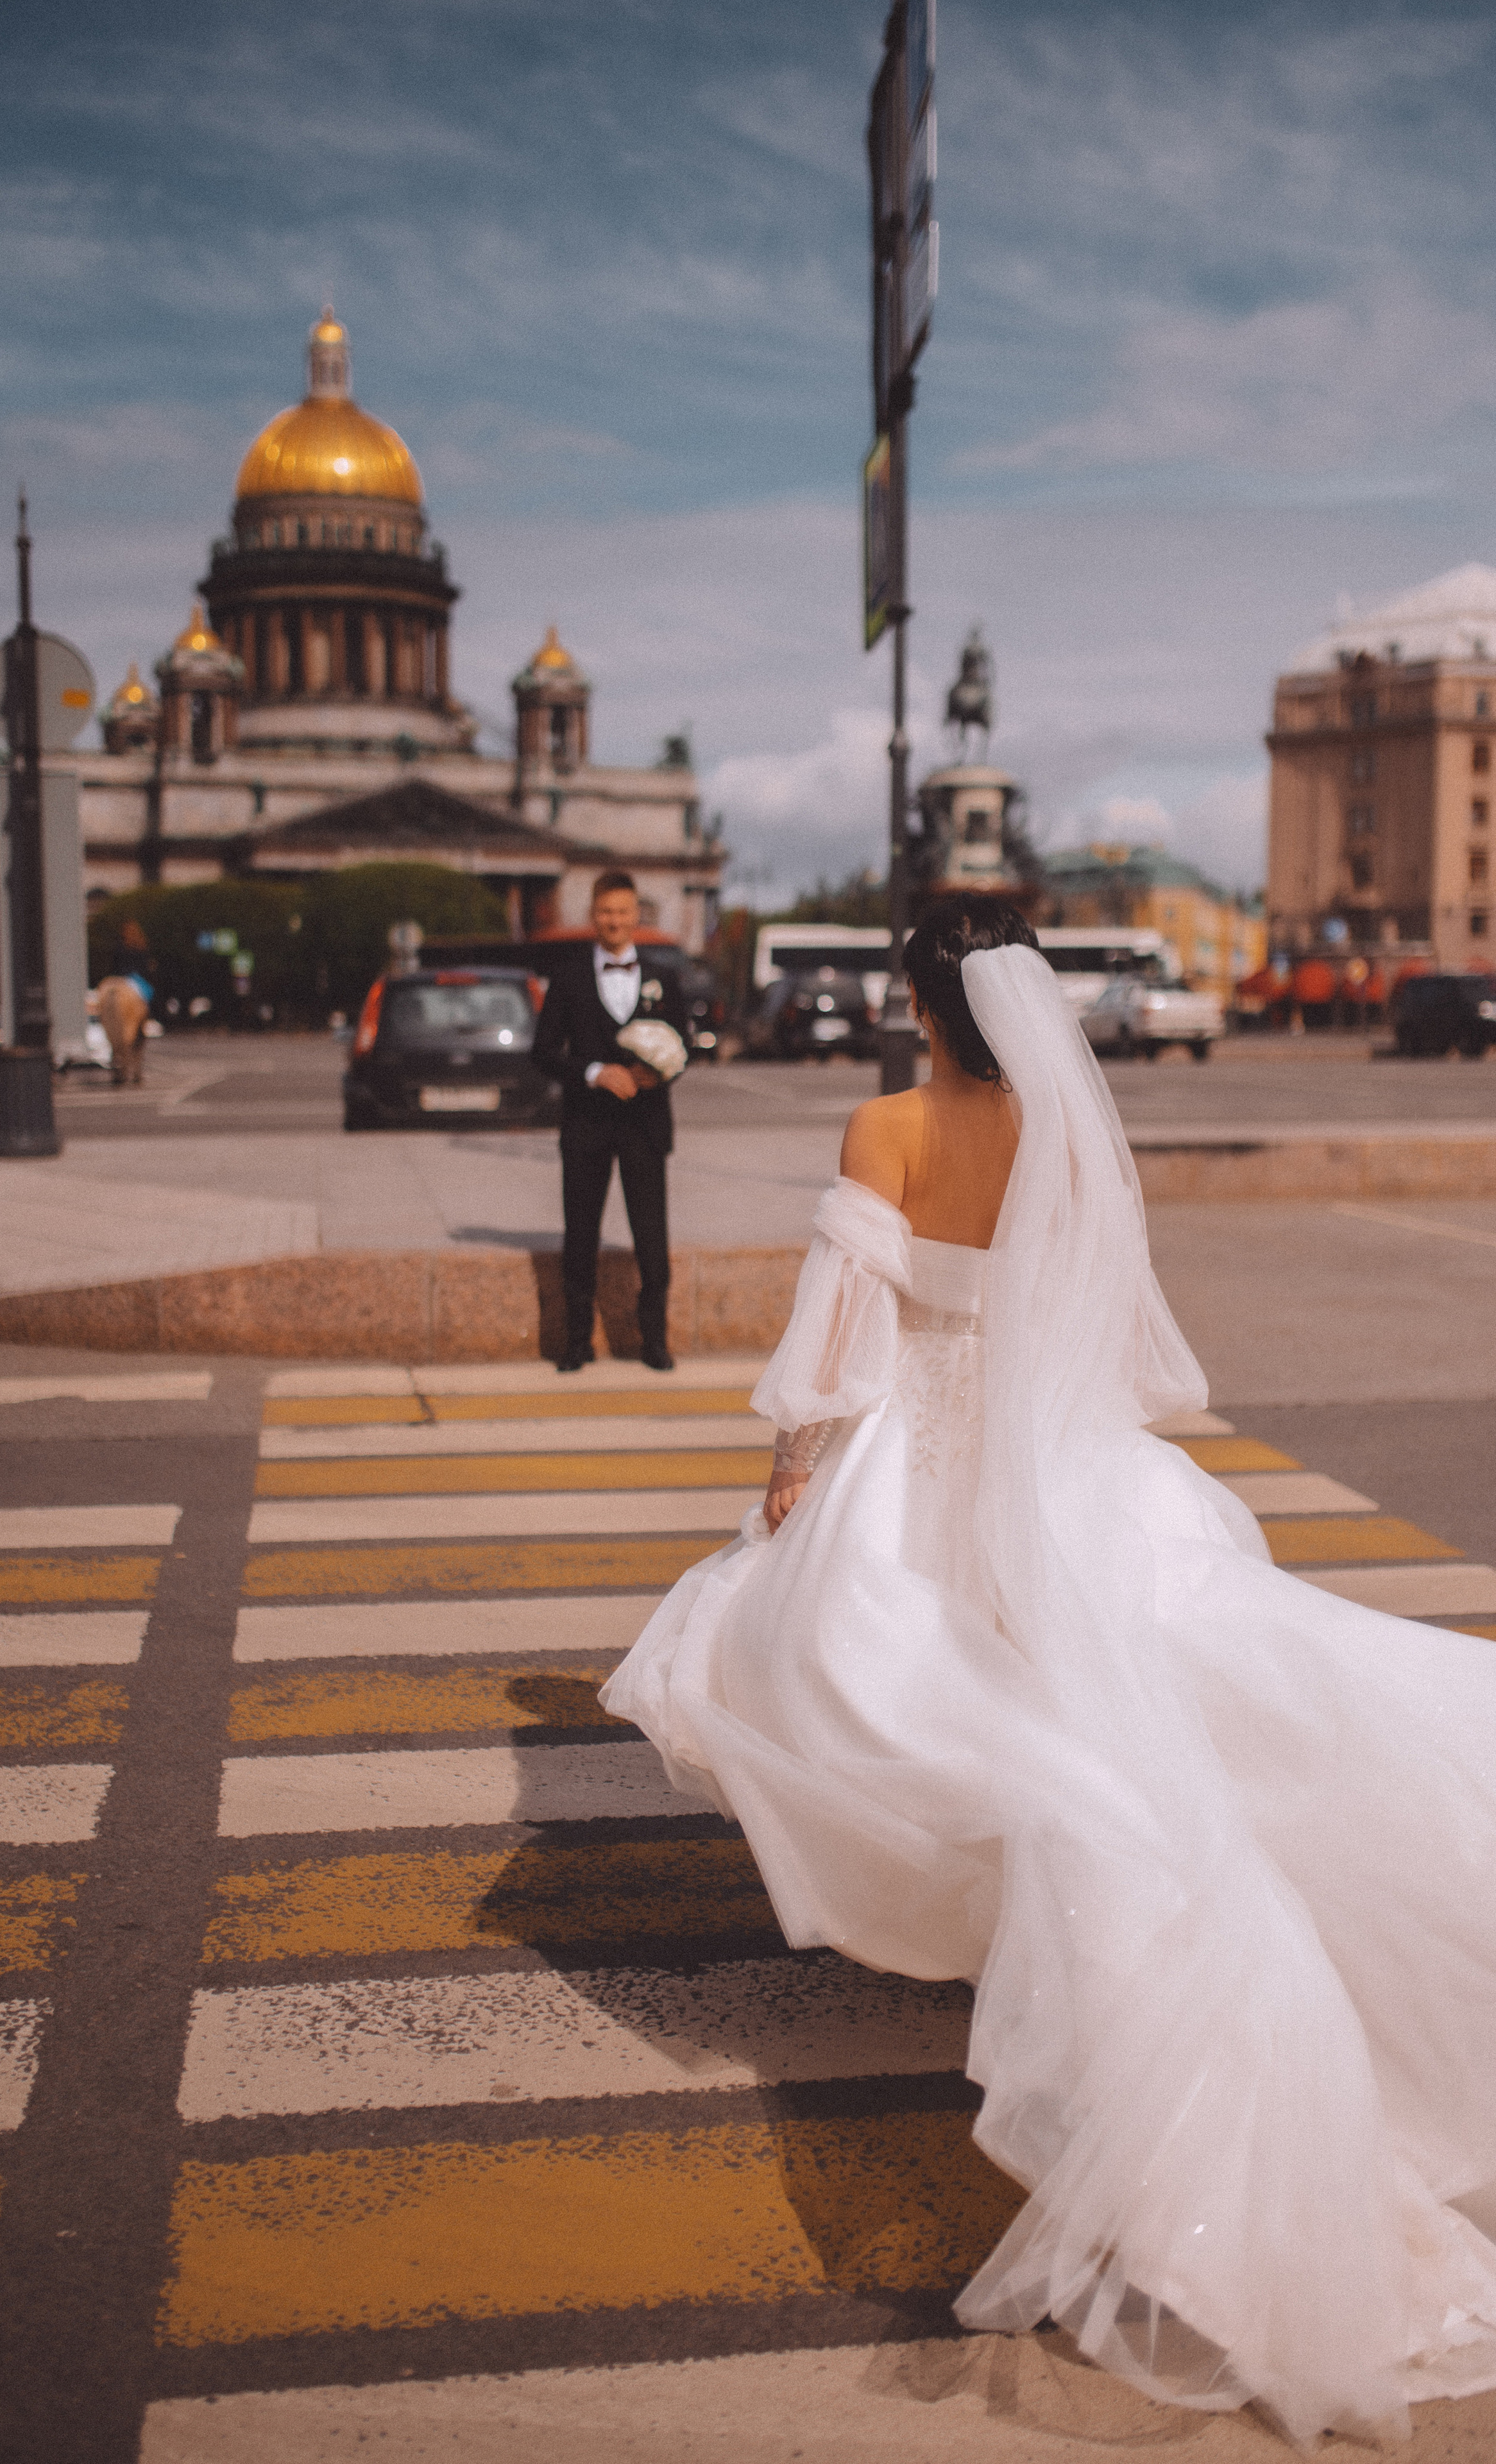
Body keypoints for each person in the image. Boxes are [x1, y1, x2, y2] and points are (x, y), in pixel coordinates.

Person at [604, 894, 1496, 2443]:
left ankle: (968, 1910)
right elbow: (1095, 1323)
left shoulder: (882, 1123)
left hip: (918, 1451)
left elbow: (845, 1321)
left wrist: (790, 1464)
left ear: (919, 1002)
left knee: (814, 1665)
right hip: (1054, 1452)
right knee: (1101, 1699)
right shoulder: (1073, 1135)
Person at [531, 870, 689, 1372]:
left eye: (622, 911)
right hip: (586, 1125)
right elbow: (543, 1052)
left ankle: (653, 1340)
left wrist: (652, 1073)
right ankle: (577, 1341)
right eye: (605, 912)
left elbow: (684, 1048)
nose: (614, 920)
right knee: (580, 1234)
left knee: (651, 1236)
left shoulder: (665, 976)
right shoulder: (570, 976)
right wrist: (596, 1072)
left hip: (645, 1124)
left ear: (636, 915)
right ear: (592, 915)